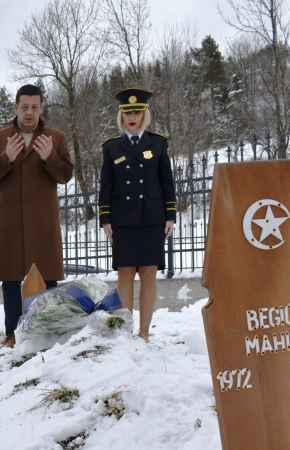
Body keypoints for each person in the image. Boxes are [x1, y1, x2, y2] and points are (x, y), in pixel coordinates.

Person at [0, 84, 74, 348]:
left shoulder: (56, 137)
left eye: (34, 107)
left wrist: (49, 156)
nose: (29, 112)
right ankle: (13, 333)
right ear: (15, 108)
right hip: (9, 220)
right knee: (10, 279)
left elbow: (65, 175)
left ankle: (46, 331)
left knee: (48, 279)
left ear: (42, 107)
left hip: (42, 221)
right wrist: (6, 157)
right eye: (24, 107)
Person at [98, 88, 177, 341]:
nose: (132, 117)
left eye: (137, 112)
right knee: (125, 273)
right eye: (127, 112)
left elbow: (167, 181)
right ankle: (126, 331)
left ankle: (144, 333)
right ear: (121, 114)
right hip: (123, 219)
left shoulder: (158, 143)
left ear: (145, 114)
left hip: (151, 217)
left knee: (148, 273)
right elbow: (106, 186)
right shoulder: (111, 147)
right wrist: (105, 219)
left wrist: (170, 215)